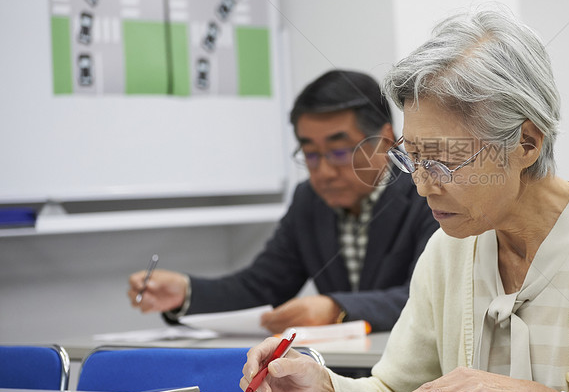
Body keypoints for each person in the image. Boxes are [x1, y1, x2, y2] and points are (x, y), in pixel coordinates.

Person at [239, 6, 569, 392]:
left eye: (445, 161)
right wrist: (321, 383)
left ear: (526, 142)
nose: (423, 186)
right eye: (414, 158)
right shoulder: (448, 252)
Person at [127, 70, 438, 333]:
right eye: (311, 154)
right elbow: (261, 287)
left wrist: (338, 309)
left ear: (384, 140)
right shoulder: (309, 200)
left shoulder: (427, 191)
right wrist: (186, 293)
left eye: (340, 152)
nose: (324, 171)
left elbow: (433, 296)